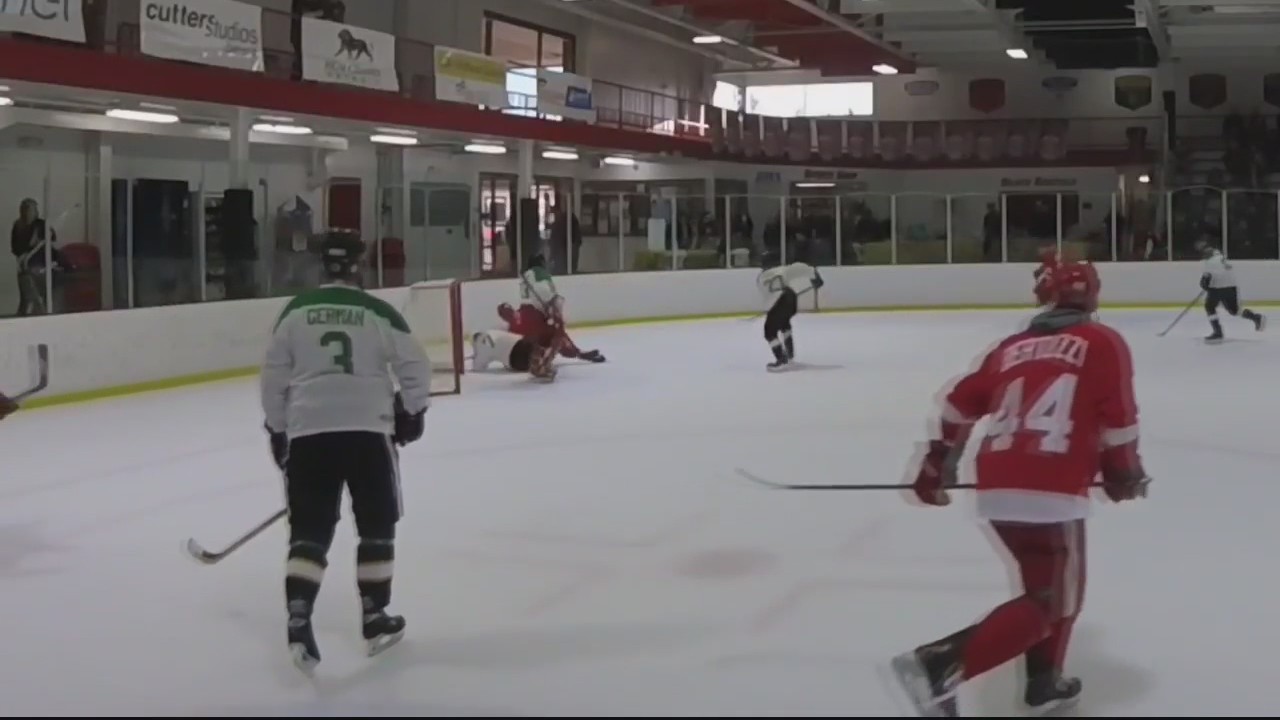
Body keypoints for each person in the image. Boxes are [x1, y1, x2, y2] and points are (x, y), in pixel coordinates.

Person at [888, 262, 1151, 717]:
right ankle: (941, 663)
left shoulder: (1010, 348)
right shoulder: (1103, 342)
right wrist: (1122, 472)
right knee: (1053, 602)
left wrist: (937, 462)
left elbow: (957, 405)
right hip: (1053, 487)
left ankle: (1044, 684)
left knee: (1050, 588)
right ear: (1091, 296)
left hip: (997, 484)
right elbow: (1120, 417)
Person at [259, 230, 432, 675]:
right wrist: (412, 411)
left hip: (309, 433)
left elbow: (274, 378)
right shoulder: (377, 311)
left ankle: (299, 616)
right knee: (377, 524)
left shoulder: (295, 312)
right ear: (359, 267)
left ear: (320, 267)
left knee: (309, 529)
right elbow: (415, 365)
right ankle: (375, 619)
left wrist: (279, 430)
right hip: (367, 432)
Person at [756, 257, 823, 371]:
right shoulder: (781, 270)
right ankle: (790, 355)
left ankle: (782, 359)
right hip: (791, 298)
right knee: (784, 323)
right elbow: (800, 267)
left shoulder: (762, 278)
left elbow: (768, 298)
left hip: (780, 302)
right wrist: (816, 277)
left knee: (769, 331)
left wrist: (768, 310)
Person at [1196, 239, 1264, 343]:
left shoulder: (1209, 262)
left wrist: (1204, 284)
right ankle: (1255, 317)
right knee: (1235, 311)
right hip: (1231, 287)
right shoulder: (1221, 257)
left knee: (1209, 307)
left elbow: (1206, 278)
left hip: (1218, 288)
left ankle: (1217, 332)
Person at [497, 302, 605, 364]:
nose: (511, 314)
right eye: (507, 313)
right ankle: (580, 353)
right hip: (541, 345)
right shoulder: (512, 330)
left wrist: (550, 317)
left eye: (510, 311)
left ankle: (579, 353)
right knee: (559, 341)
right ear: (504, 317)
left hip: (548, 334)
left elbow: (540, 312)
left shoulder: (525, 310)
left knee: (561, 339)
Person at [470, 329, 539, 375]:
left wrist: (476, 355)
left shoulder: (482, 344)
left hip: (515, 357)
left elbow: (478, 367)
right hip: (524, 342)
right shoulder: (492, 332)